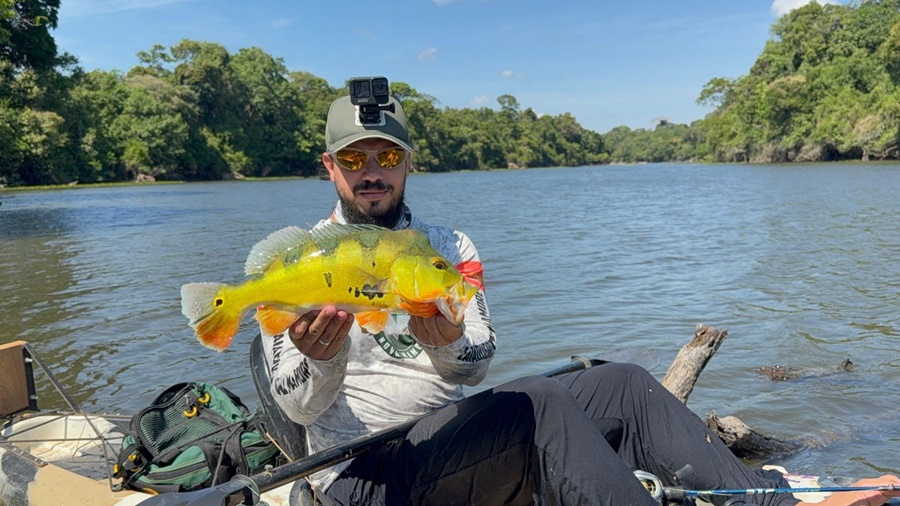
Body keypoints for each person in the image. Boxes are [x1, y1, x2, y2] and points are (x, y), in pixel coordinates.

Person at [260, 86, 900, 506]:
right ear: (330, 167)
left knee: (622, 380)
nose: (372, 170)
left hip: (449, 442)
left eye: (386, 155)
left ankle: (766, 499)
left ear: (407, 162)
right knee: (538, 399)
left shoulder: (448, 247)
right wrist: (321, 356)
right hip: (361, 478)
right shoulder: (291, 260)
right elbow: (298, 405)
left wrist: (449, 344)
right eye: (355, 158)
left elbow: (475, 363)